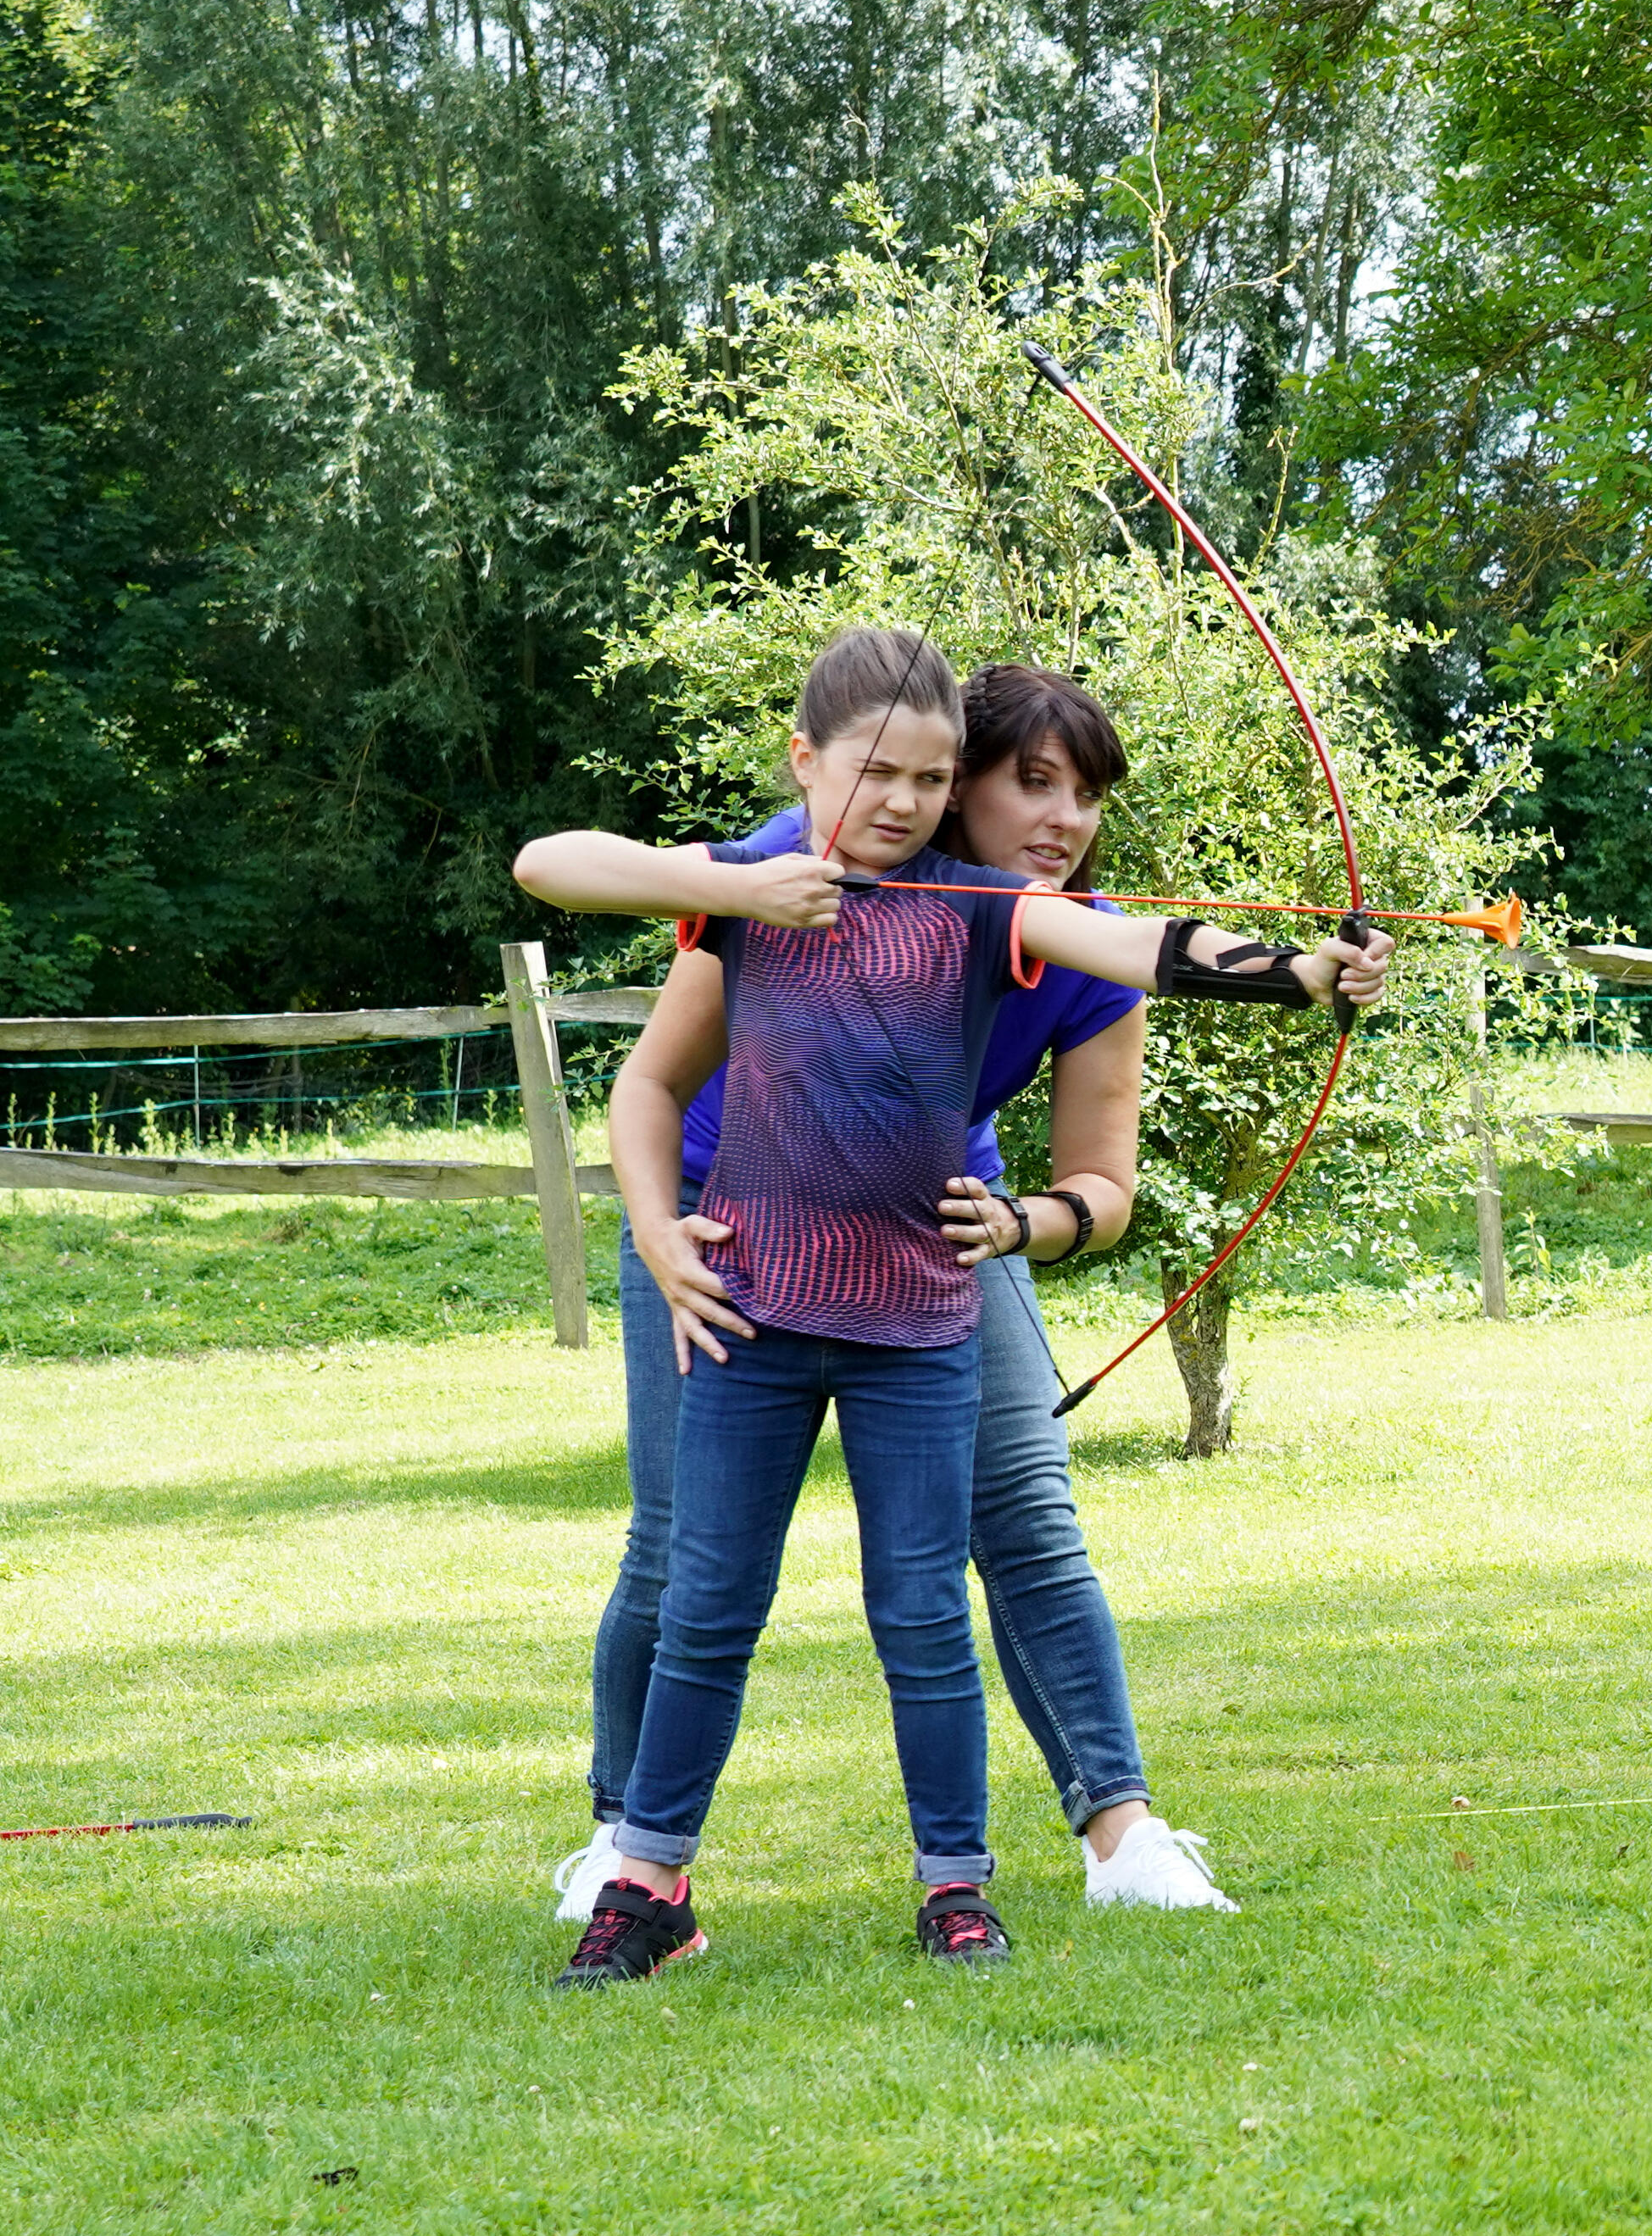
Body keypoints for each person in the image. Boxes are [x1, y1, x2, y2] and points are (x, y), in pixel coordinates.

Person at [507, 627, 1376, 1985]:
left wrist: (1307, 971)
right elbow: (565, 885)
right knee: (688, 1560)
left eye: (1086, 795)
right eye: (1029, 782)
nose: (1063, 819)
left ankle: (1089, 1842)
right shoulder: (784, 859)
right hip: (719, 1236)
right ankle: (633, 1853)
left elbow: (1148, 983)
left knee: (985, 1544)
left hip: (926, 1243)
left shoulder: (1023, 921)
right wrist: (733, 888)